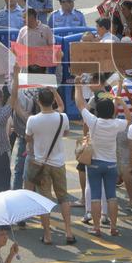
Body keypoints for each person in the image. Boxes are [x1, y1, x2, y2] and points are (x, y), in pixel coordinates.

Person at [22, 86, 76, 245]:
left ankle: (47, 235)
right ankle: (69, 232)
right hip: (58, 163)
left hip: (41, 163)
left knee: (43, 200)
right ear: (52, 100)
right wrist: (54, 91)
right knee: (63, 197)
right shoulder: (62, 117)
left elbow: (28, 138)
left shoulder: (33, 120)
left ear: (38, 101)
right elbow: (65, 133)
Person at [75, 81, 128, 237]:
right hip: (111, 164)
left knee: (96, 196)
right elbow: (131, 119)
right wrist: (122, 103)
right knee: (111, 196)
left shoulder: (94, 122)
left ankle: (97, 227)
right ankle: (113, 227)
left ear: (97, 110)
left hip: (95, 164)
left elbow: (80, 104)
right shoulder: (117, 123)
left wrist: (78, 86)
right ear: (113, 111)